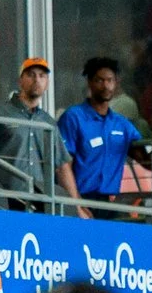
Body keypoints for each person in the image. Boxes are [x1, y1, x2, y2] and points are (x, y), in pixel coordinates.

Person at [54, 56, 143, 203]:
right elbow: (63, 165)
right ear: (89, 82)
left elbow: (146, 160)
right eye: (99, 80)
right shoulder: (73, 117)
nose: (105, 86)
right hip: (81, 198)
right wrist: (77, 203)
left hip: (111, 202)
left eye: (110, 80)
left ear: (116, 83)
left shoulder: (121, 123)